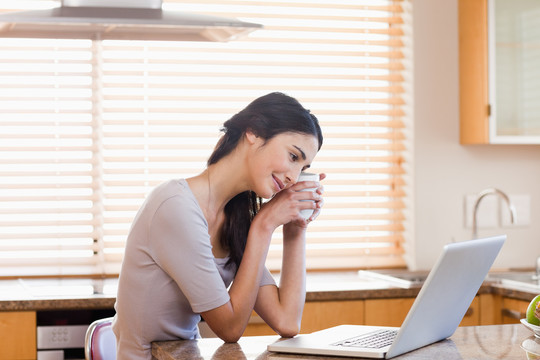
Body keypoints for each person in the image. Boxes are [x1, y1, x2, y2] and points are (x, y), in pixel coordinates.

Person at [112, 92, 325, 359]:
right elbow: (229, 327)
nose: (294, 178)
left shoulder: (237, 216)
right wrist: (265, 224)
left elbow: (287, 321)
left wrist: (296, 227)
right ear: (254, 133)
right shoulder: (175, 206)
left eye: (304, 168)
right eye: (294, 157)